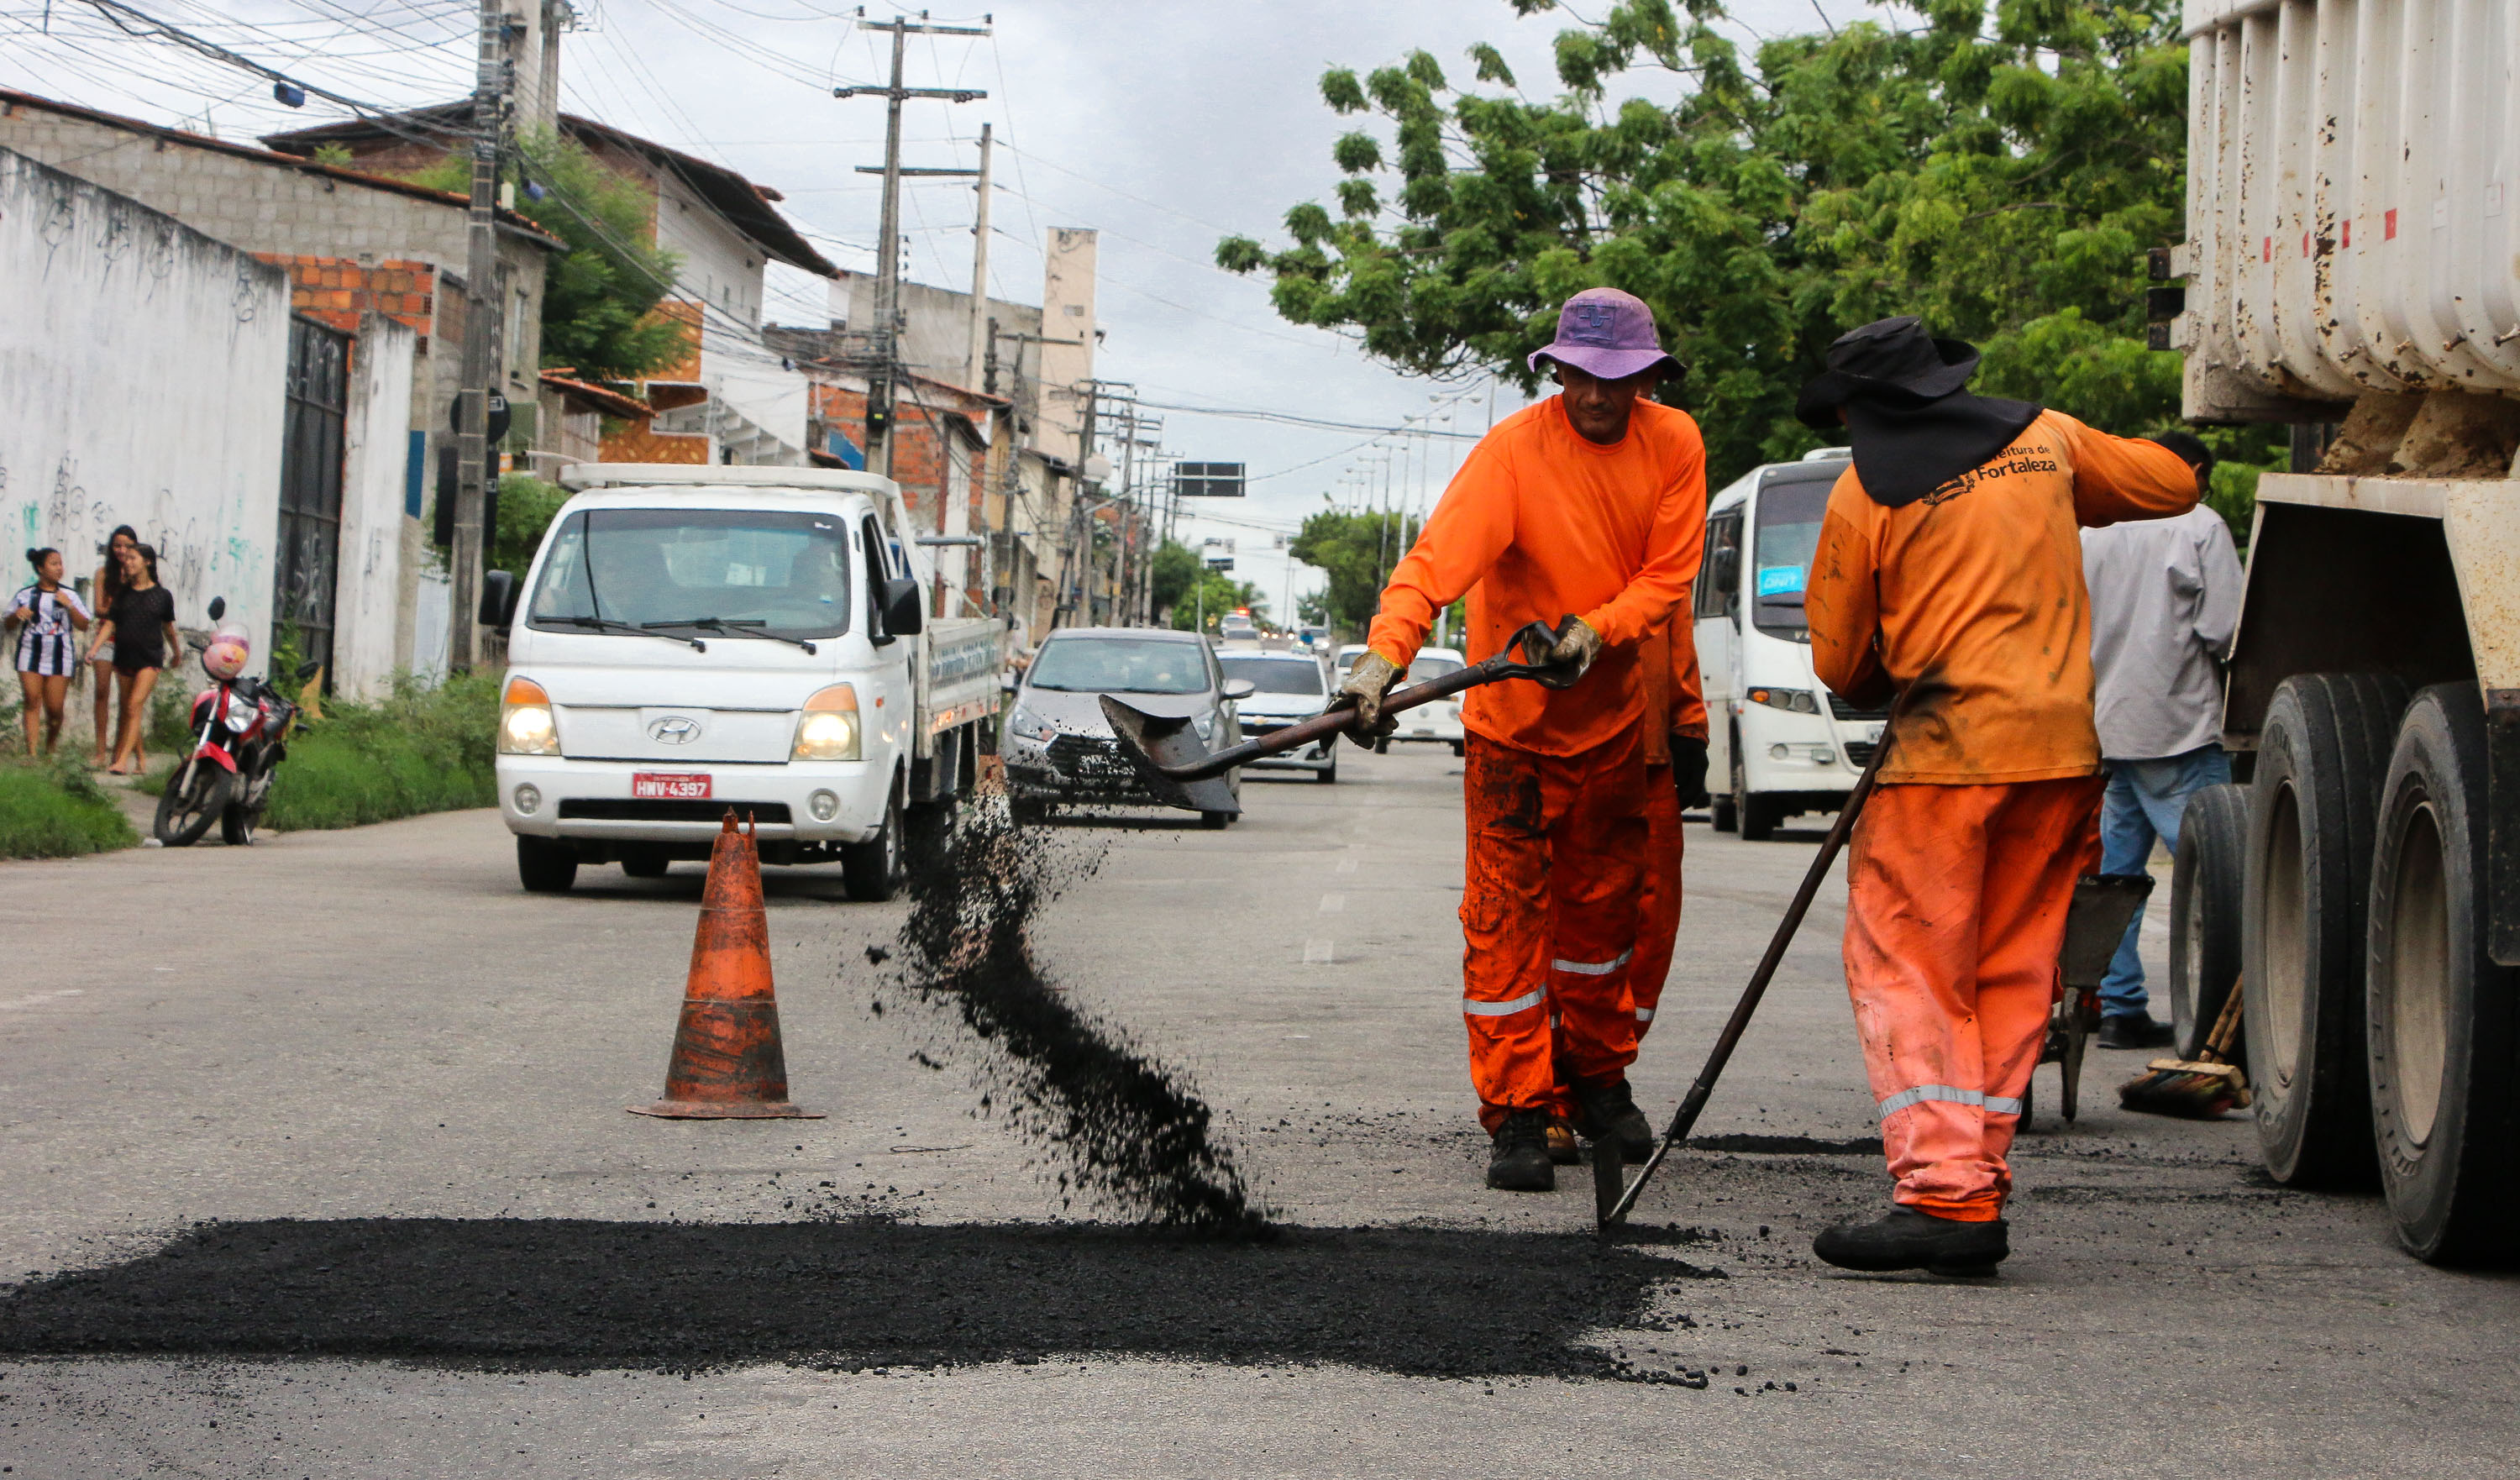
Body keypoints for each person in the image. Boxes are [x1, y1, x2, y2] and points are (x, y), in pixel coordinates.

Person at [1799, 316, 2198, 1275]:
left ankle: (1943, 1195)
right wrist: (2179, 449)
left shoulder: (1866, 494)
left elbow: (1844, 663)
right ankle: (1974, 1175)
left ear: (1863, 409)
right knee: (2013, 970)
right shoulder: (2047, 440)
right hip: (2058, 758)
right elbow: (2173, 481)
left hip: (1940, 763)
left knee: (1912, 971)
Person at [1329, 286, 1706, 1193]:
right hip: (1512, 739)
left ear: (1650, 379)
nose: (1595, 397)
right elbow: (1433, 568)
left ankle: (1593, 1079)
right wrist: (1382, 663)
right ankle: (1518, 1112)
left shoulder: (1676, 445)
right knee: (1504, 928)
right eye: (1578, 376)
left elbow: (1667, 578)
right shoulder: (1512, 454)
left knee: (1603, 925)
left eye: (1616, 381)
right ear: (1557, 370)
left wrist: (1595, 631)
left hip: (1614, 729)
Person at [2082, 432, 2244, 1049]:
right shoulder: (2197, 525)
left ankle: (2119, 1006)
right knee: (2220, 876)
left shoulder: (2092, 528)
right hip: (2176, 725)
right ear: (2196, 471)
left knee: (2115, 879)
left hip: (2106, 726)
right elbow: (2225, 630)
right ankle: (2221, 1020)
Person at [1546, 616, 1709, 1165]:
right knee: (1557, 938)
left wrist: (1688, 722)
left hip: (1648, 755)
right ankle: (1550, 1098)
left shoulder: (1657, 534)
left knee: (1649, 936)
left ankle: (1601, 1077)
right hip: (1562, 753)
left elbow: (1672, 621)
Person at [87, 542, 179, 776]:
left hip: (150, 658)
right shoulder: (123, 595)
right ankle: (140, 757)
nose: (127, 563)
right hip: (124, 657)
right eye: (126, 559)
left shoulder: (162, 596)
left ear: (147, 562)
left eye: (132, 558)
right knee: (131, 709)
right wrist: (94, 649)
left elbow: (168, 628)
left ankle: (122, 760)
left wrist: (177, 652)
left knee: (134, 704)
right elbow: (111, 624)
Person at [8, 548, 94, 756]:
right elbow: (8, 624)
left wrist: (70, 606)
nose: (59, 568)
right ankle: (32, 753)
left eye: (60, 564)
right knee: (31, 699)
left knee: (55, 710)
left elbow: (84, 625)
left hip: (60, 654)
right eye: (54, 564)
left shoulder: (70, 594)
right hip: (30, 652)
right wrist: (16, 615)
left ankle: (51, 745)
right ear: (40, 568)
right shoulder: (25, 594)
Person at [87, 525, 138, 765]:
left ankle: (118, 751)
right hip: (105, 638)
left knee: (128, 699)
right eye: (117, 545)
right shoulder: (102, 574)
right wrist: (122, 611)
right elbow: (98, 609)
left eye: (127, 545)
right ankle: (99, 751)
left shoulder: (138, 575)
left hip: (131, 641)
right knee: (101, 691)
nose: (121, 550)